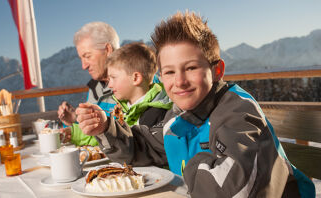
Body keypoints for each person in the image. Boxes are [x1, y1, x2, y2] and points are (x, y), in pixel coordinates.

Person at [74, 11, 315, 197]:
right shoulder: (179, 116)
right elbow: (144, 147)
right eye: (168, 72)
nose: (179, 81)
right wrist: (106, 128)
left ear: (217, 70)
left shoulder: (238, 112)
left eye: (190, 68)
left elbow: (232, 189)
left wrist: (189, 164)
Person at [58, 21, 119, 146]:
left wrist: (73, 133)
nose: (83, 66)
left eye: (87, 56)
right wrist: (74, 120)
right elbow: (94, 135)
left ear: (107, 50)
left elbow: (125, 136)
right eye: (81, 58)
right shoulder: (95, 88)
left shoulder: (133, 83)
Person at [105, 42, 172, 127]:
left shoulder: (154, 116)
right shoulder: (123, 109)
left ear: (136, 78)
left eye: (113, 78)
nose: (109, 85)